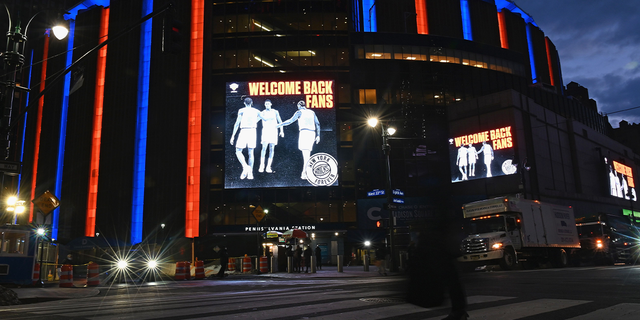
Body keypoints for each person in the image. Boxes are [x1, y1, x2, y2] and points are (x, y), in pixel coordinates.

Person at [277, 100, 321, 180]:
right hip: (312, 133)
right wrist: (318, 135)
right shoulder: (312, 112)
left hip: (304, 132)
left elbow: (290, 121)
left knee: (306, 155)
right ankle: (305, 172)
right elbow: (317, 123)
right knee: (307, 153)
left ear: (299, 106)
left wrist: (279, 125)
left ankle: (305, 173)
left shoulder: (299, 112)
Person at [230, 97, 266, 180]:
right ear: (252, 103)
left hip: (244, 131)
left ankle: (246, 167)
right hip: (252, 131)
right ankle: (249, 172)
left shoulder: (241, 110)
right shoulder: (256, 111)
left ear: (244, 103)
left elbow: (237, 124)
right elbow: (262, 117)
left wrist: (233, 136)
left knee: (238, 151)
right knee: (251, 152)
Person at [258, 99, 284, 173]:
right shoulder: (262, 113)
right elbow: (256, 120)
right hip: (265, 131)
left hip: (273, 131)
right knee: (264, 148)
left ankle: (268, 167)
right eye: (266, 104)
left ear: (271, 104)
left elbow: (280, 121)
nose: (267, 105)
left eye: (268, 104)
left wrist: (282, 131)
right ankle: (261, 165)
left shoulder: (275, 112)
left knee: (272, 149)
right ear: (264, 105)